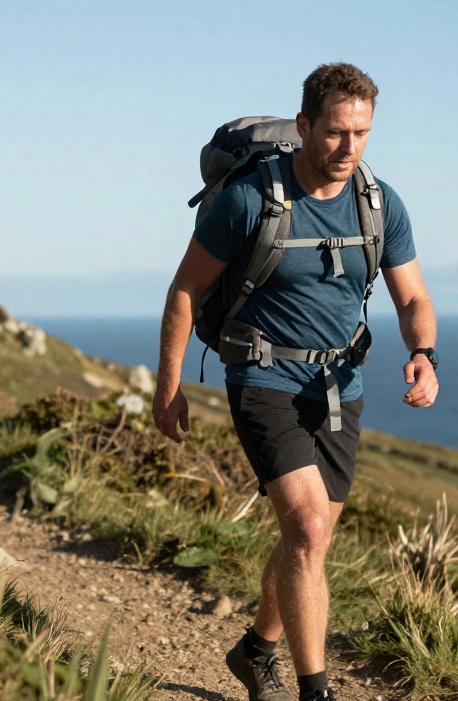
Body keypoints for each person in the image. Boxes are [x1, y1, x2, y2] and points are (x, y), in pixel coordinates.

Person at [152, 63, 439, 701]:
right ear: (306, 124)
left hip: (340, 385)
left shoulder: (379, 202)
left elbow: (413, 295)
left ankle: (257, 649)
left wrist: (424, 352)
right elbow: (185, 289)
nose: (349, 148)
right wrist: (168, 385)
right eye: (336, 132)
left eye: (362, 133)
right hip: (262, 374)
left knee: (309, 538)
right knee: (307, 529)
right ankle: (317, 693)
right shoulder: (249, 198)